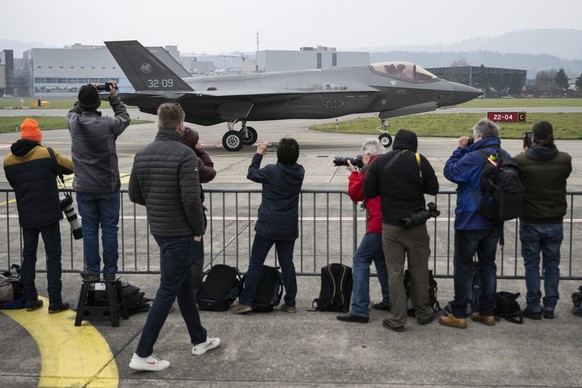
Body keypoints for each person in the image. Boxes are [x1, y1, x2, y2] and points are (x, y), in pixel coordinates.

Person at [128, 103, 220, 372]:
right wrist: (197, 230)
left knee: (181, 288)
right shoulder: (185, 156)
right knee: (168, 291)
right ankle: (142, 353)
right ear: (181, 125)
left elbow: (135, 195)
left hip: (160, 229)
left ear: (158, 123)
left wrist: (158, 206)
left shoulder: (142, 154)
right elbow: (191, 200)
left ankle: (200, 339)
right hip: (182, 233)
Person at [363, 129, 439, 332]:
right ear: (414, 144)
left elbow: (368, 191)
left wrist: (386, 189)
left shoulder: (380, 162)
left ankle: (398, 318)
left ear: (395, 142)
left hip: (390, 227)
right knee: (418, 270)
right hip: (416, 226)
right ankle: (423, 311)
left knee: (394, 273)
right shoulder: (418, 160)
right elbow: (433, 187)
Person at [440, 118, 507, 329]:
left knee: (463, 266)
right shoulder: (505, 156)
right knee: (488, 266)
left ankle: (459, 314)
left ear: (479, 136)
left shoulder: (473, 157)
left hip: (470, 220)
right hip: (494, 220)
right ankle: (486, 312)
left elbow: (450, 172)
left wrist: (459, 149)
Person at [3, 118, 73, 313]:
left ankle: (31, 300)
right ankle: (55, 301)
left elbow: (15, 183)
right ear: (37, 137)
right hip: (49, 215)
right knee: (53, 257)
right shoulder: (46, 153)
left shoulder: (8, 161)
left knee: (28, 257)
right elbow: (70, 167)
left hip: (27, 217)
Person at [231, 138, 305, 314]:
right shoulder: (300, 171)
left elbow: (251, 173)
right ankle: (290, 302)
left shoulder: (271, 171)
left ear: (279, 154)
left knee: (256, 262)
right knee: (287, 263)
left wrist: (258, 154)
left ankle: (246, 301)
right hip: (288, 224)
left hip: (268, 224)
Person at [67, 82, 130, 281]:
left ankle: (93, 272)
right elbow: (124, 118)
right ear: (97, 103)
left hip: (84, 187)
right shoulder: (108, 124)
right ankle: (110, 274)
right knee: (110, 230)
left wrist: (86, 93)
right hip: (107, 186)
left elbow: (74, 110)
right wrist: (113, 96)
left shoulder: (73, 123)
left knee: (90, 229)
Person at [514, 121, 571, 320]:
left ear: (533, 137)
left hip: (530, 219)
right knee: (552, 264)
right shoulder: (565, 160)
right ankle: (549, 306)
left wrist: (527, 150)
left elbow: (517, 172)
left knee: (531, 264)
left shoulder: (522, 160)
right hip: (554, 220)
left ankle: (533, 306)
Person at [337, 139, 391, 324]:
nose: (362, 158)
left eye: (363, 155)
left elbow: (356, 194)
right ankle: (389, 299)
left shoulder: (371, 168)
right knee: (381, 259)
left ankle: (359, 309)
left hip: (377, 222)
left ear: (369, 154)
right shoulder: (389, 164)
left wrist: (354, 174)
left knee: (360, 260)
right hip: (391, 222)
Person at [182, 126, 216, 303]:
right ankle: (192, 292)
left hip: (167, 220)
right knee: (195, 257)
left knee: (170, 258)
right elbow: (209, 173)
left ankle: (170, 293)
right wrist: (201, 151)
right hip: (191, 219)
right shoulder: (191, 158)